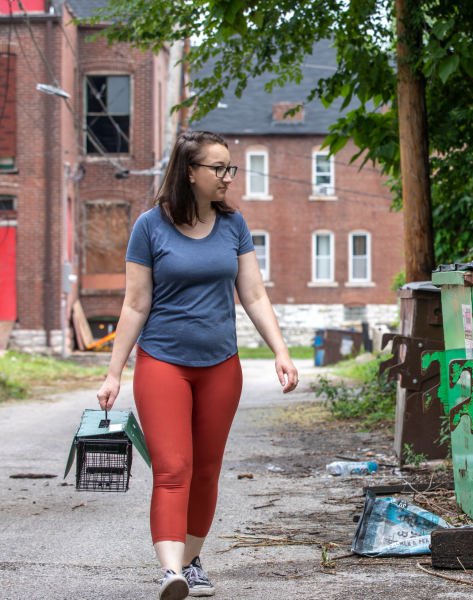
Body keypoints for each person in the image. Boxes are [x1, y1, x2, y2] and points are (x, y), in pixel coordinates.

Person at [96, 131, 299, 600]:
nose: (229, 177)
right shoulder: (150, 227)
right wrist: (113, 372)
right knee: (173, 467)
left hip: (221, 366)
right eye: (219, 168)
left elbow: (253, 294)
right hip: (163, 362)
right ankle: (171, 572)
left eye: (231, 168)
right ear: (190, 173)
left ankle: (191, 560)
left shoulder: (234, 225)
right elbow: (134, 305)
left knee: (206, 470)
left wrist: (280, 350)